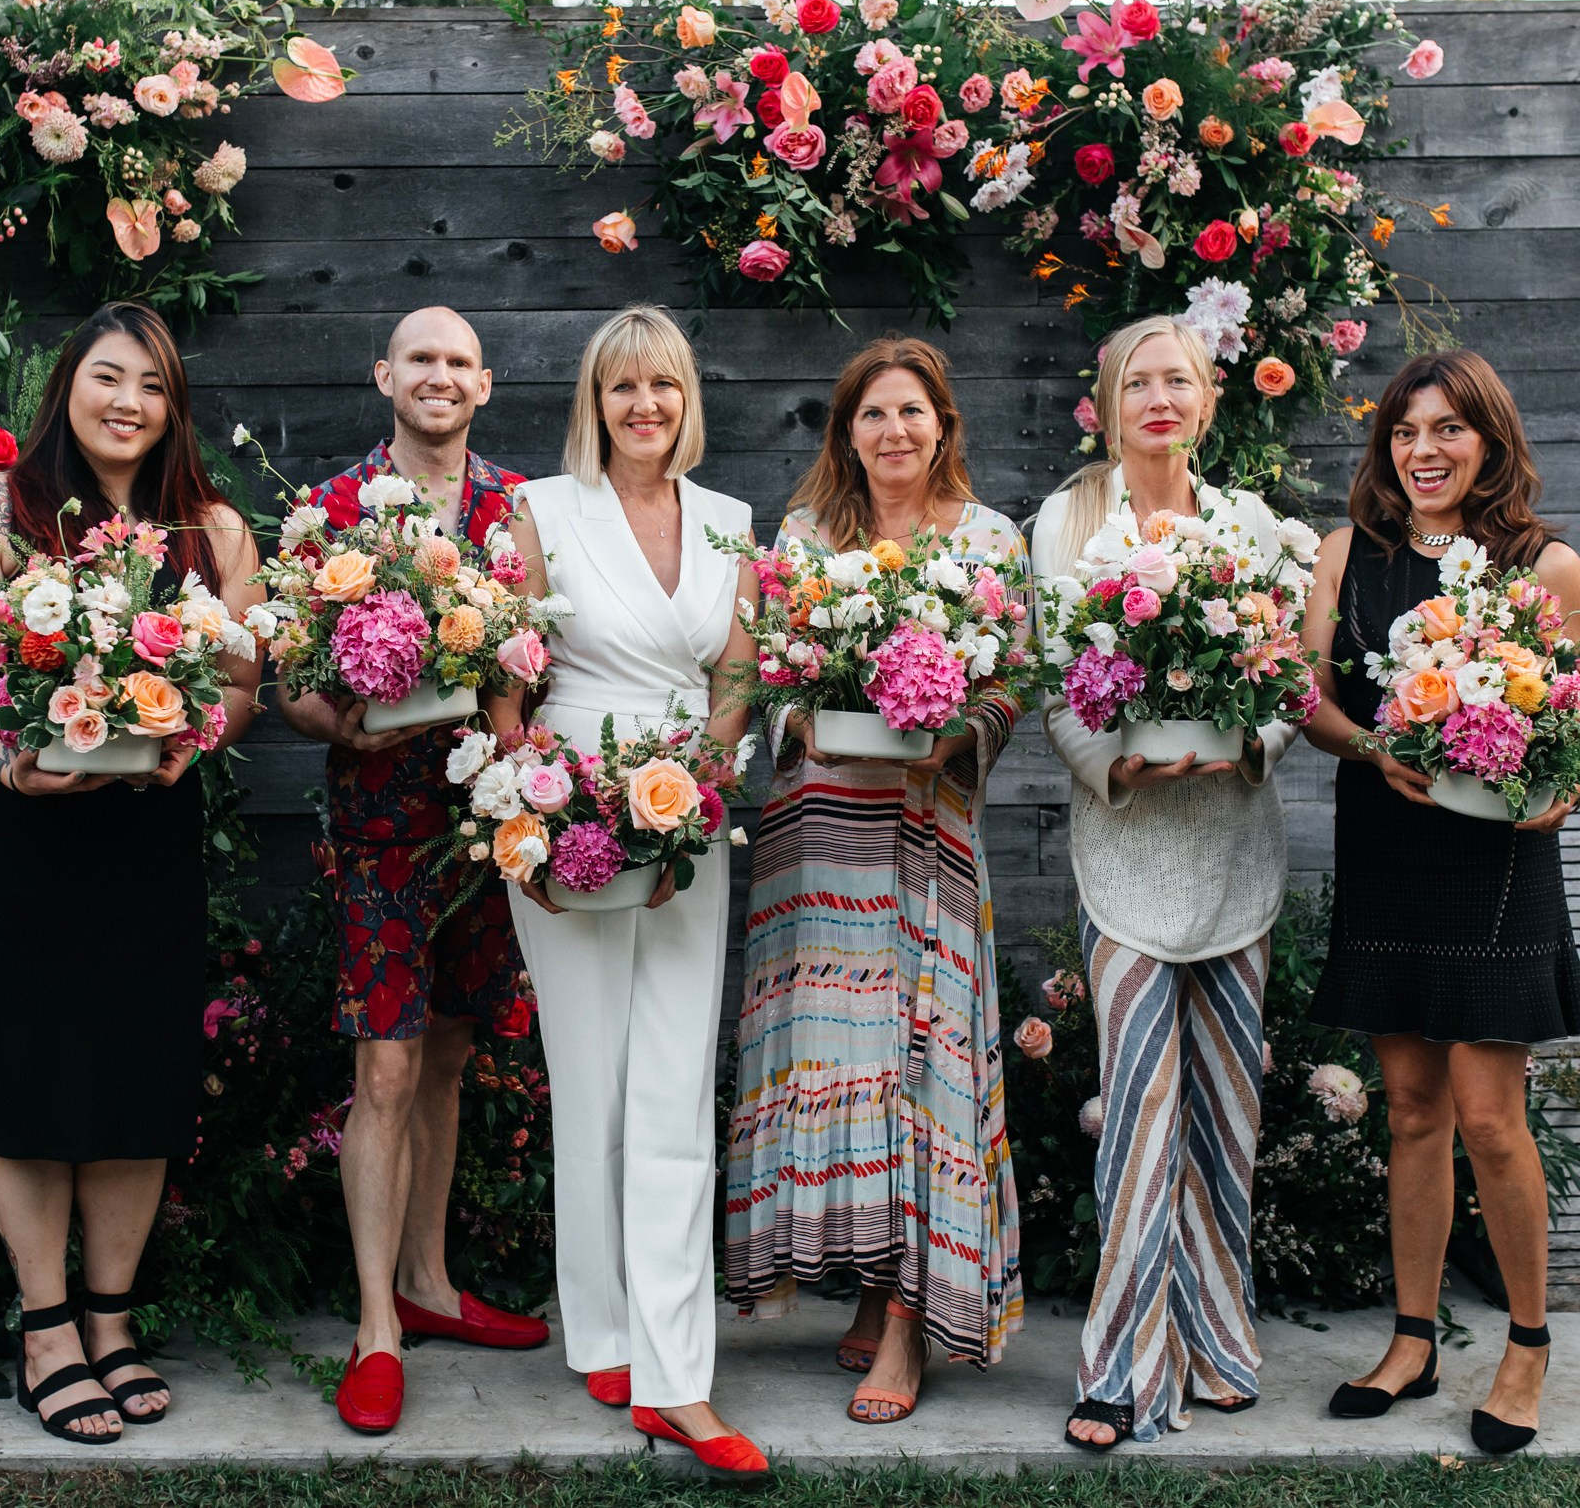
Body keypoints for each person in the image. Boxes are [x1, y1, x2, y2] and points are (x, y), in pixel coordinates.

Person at [0, 302, 266, 1444]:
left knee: (133, 1081)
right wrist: (14, 762)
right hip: (14, 829)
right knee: (25, 1075)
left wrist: (189, 738)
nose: (130, 403)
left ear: (175, 408)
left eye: (153, 386)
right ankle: (46, 1329)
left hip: (143, 830)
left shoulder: (213, 529)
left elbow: (244, 685)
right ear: (67, 386)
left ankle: (113, 1320)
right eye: (109, 378)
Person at [1298, 347, 1580, 1457]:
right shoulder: (1349, 554)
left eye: (1446, 430)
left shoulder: (1544, 562)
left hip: (1494, 862)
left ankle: (1525, 1345)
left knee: (1487, 1115)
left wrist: (1559, 795)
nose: (1422, 452)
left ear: (1488, 439)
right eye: (1403, 432)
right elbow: (1307, 696)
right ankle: (1414, 1338)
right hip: (1386, 841)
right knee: (1414, 1110)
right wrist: (1370, 744)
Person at [486, 304, 769, 1476]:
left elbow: (739, 672)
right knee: (589, 1077)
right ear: (593, 405)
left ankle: (672, 1375)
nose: (643, 408)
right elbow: (505, 665)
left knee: (668, 1085)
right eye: (621, 390)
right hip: (564, 812)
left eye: (661, 387)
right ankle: (600, 1326)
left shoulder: (731, 522)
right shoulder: (541, 512)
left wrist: (697, 793)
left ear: (685, 398)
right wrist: (524, 810)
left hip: (683, 818)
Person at [720, 336, 1024, 1426]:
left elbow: (1015, 680)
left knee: (916, 1063)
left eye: (912, 412)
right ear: (844, 432)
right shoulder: (802, 537)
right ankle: (867, 1280)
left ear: (943, 422)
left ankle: (908, 1320)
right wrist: (806, 709)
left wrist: (957, 735)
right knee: (837, 1057)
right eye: (871, 415)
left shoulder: (992, 541)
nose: (893, 432)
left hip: (924, 831)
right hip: (816, 837)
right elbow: (763, 671)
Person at [1030, 317, 1305, 1452]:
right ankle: (1121, 1368)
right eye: (1135, 380)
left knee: (1226, 1111)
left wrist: (1253, 745)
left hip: (1234, 846)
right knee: (1138, 1106)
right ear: (1104, 401)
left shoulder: (1250, 524)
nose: (1156, 397)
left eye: (1176, 380)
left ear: (1207, 401)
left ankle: (1219, 1340)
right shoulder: (1067, 519)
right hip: (1129, 846)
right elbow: (1056, 683)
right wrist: (1113, 764)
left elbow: (1287, 674)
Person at [276, 306, 549, 1437]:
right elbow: (287, 673)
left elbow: (530, 664)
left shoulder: (515, 508)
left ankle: (431, 1287)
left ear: (484, 384)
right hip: (379, 827)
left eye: (458, 363)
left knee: (445, 1059)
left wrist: (520, 768)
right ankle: (376, 1328)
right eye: (419, 359)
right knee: (383, 1071)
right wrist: (341, 728)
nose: (439, 377)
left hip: (482, 828)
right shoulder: (328, 512)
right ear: (384, 373)